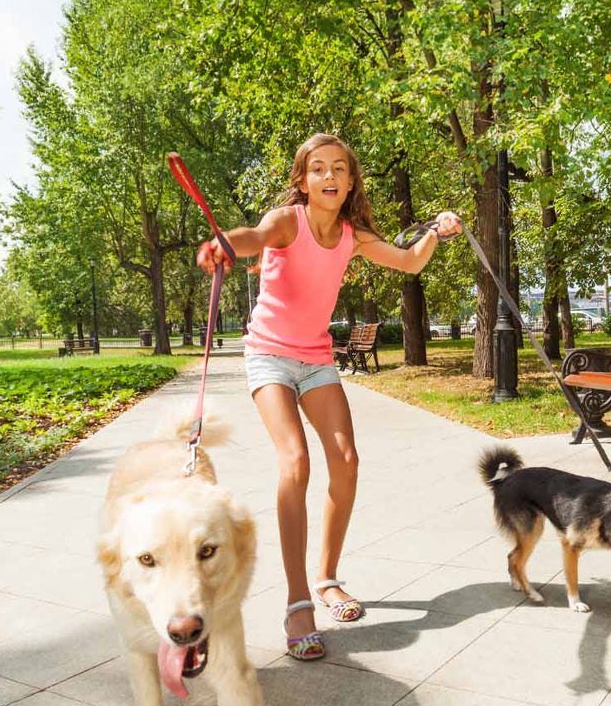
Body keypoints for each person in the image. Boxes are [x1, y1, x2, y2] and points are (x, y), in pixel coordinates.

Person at [195, 133, 461, 660]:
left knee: (346, 460)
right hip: (269, 354)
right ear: (303, 180)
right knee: (295, 462)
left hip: (315, 358)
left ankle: (326, 578)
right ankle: (298, 604)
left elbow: (409, 262)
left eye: (339, 168)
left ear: (350, 180)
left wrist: (437, 229)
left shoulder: (351, 235)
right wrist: (222, 245)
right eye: (318, 168)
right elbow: (251, 235)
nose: (330, 176)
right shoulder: (287, 220)